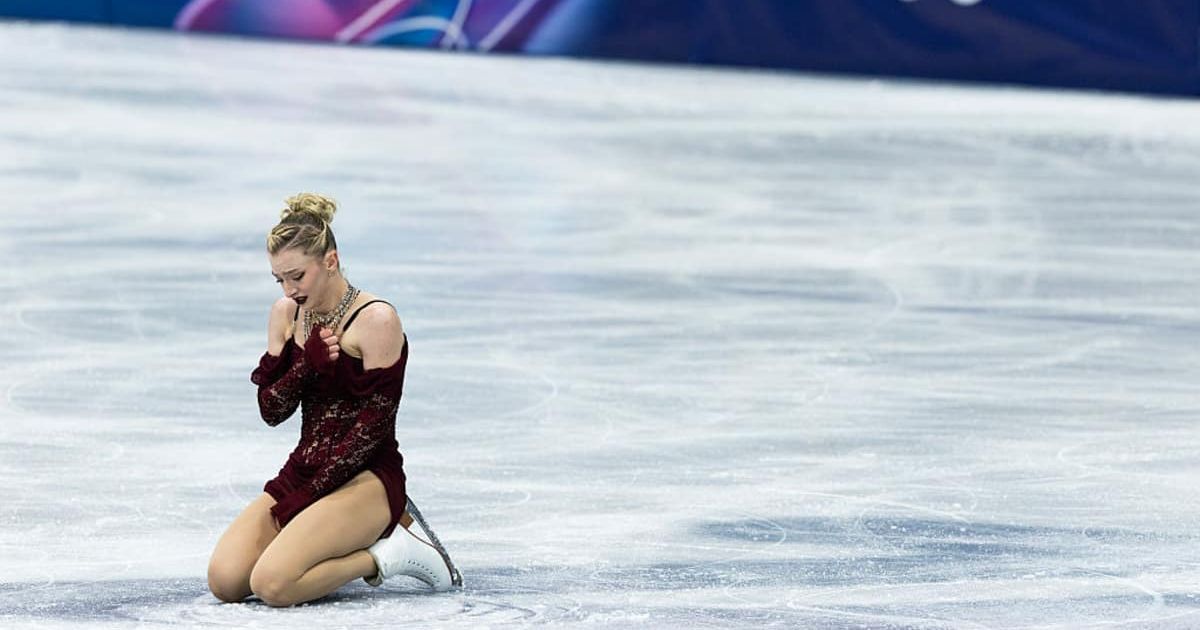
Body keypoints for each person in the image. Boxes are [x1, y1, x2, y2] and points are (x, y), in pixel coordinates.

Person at [207, 193, 461, 607]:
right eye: (279, 279)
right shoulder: (287, 313)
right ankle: (324, 537)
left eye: (297, 276)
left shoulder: (376, 320)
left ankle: (388, 553)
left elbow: (372, 430)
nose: (289, 289)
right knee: (226, 581)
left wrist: (308, 500)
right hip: (305, 469)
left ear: (330, 261)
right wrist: (306, 365)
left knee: (274, 585)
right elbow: (271, 411)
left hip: (367, 478)